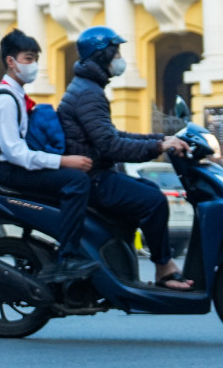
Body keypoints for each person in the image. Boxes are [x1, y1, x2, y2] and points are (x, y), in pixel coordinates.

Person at [56, 26, 195, 289]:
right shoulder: (88, 93)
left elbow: (112, 135)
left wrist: (160, 140)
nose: (120, 59)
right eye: (116, 52)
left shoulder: (88, 88)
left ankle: (122, 266)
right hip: (93, 177)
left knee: (147, 191)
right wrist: (158, 146)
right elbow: (111, 145)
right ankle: (164, 268)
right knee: (153, 200)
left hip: (97, 172)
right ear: (102, 56)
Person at [0, 28, 96, 282]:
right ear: (11, 62)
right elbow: (16, 154)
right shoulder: (5, 101)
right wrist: (65, 161)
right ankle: (69, 257)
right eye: (28, 59)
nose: (33, 66)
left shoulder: (16, 95)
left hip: (12, 166)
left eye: (35, 59)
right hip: (7, 170)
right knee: (76, 181)